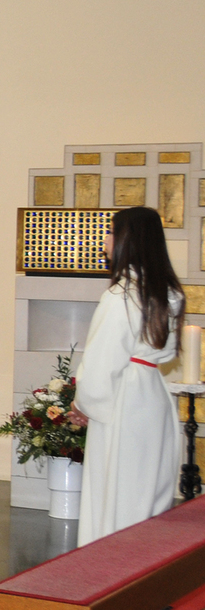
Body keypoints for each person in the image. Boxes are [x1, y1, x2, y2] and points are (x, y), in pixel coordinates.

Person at [73, 207, 184, 555]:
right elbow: (167, 353)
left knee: (117, 490)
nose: (105, 241)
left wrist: (83, 404)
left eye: (110, 232)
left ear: (127, 240)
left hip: (123, 399)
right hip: (153, 394)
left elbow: (102, 363)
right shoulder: (168, 292)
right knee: (148, 488)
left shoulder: (121, 295)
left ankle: (109, 567)